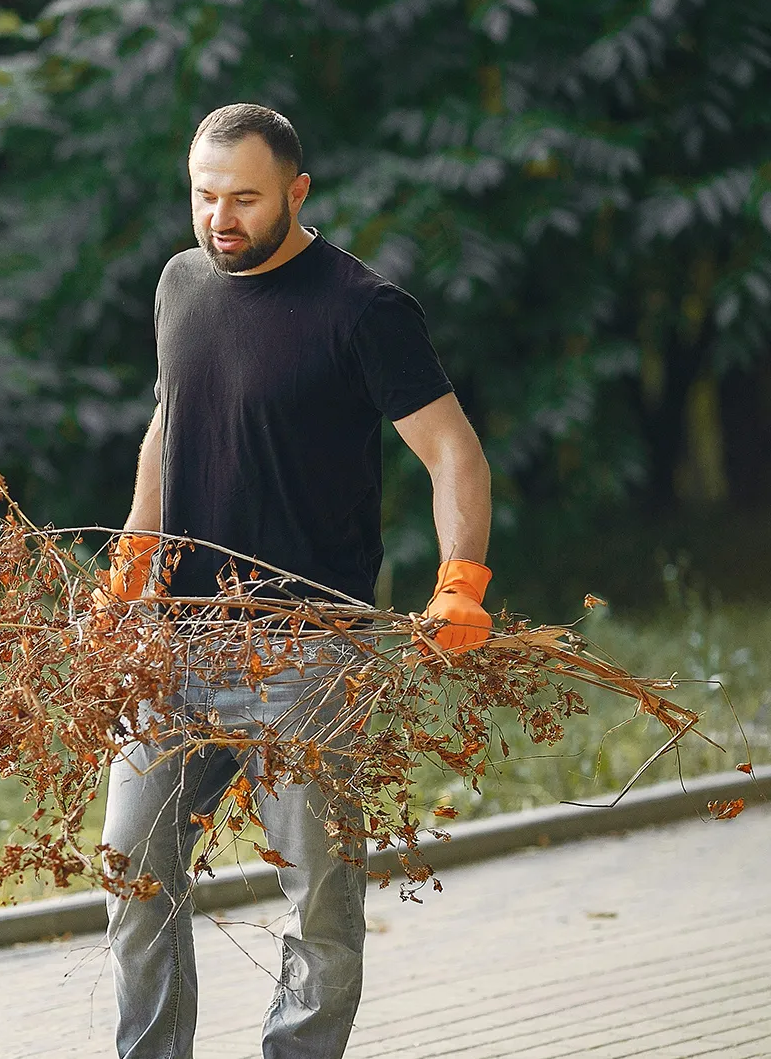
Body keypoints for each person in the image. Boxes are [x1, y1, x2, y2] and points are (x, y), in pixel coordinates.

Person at [100, 104, 493, 1059]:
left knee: (318, 901)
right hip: (175, 642)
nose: (219, 219)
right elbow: (168, 426)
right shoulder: (180, 285)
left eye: (244, 198)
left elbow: (453, 455)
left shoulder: (364, 310)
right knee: (132, 870)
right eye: (203, 197)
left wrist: (462, 579)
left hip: (306, 659)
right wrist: (130, 562)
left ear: (298, 193)